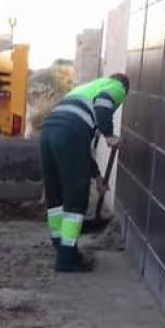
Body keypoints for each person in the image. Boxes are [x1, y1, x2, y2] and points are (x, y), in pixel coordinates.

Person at [38, 73, 129, 272]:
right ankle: (67, 259)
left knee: (56, 194)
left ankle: (60, 245)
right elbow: (104, 105)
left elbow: (82, 151)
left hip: (48, 132)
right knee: (76, 195)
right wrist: (109, 135)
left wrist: (97, 177)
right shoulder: (117, 87)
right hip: (70, 133)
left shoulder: (84, 90)